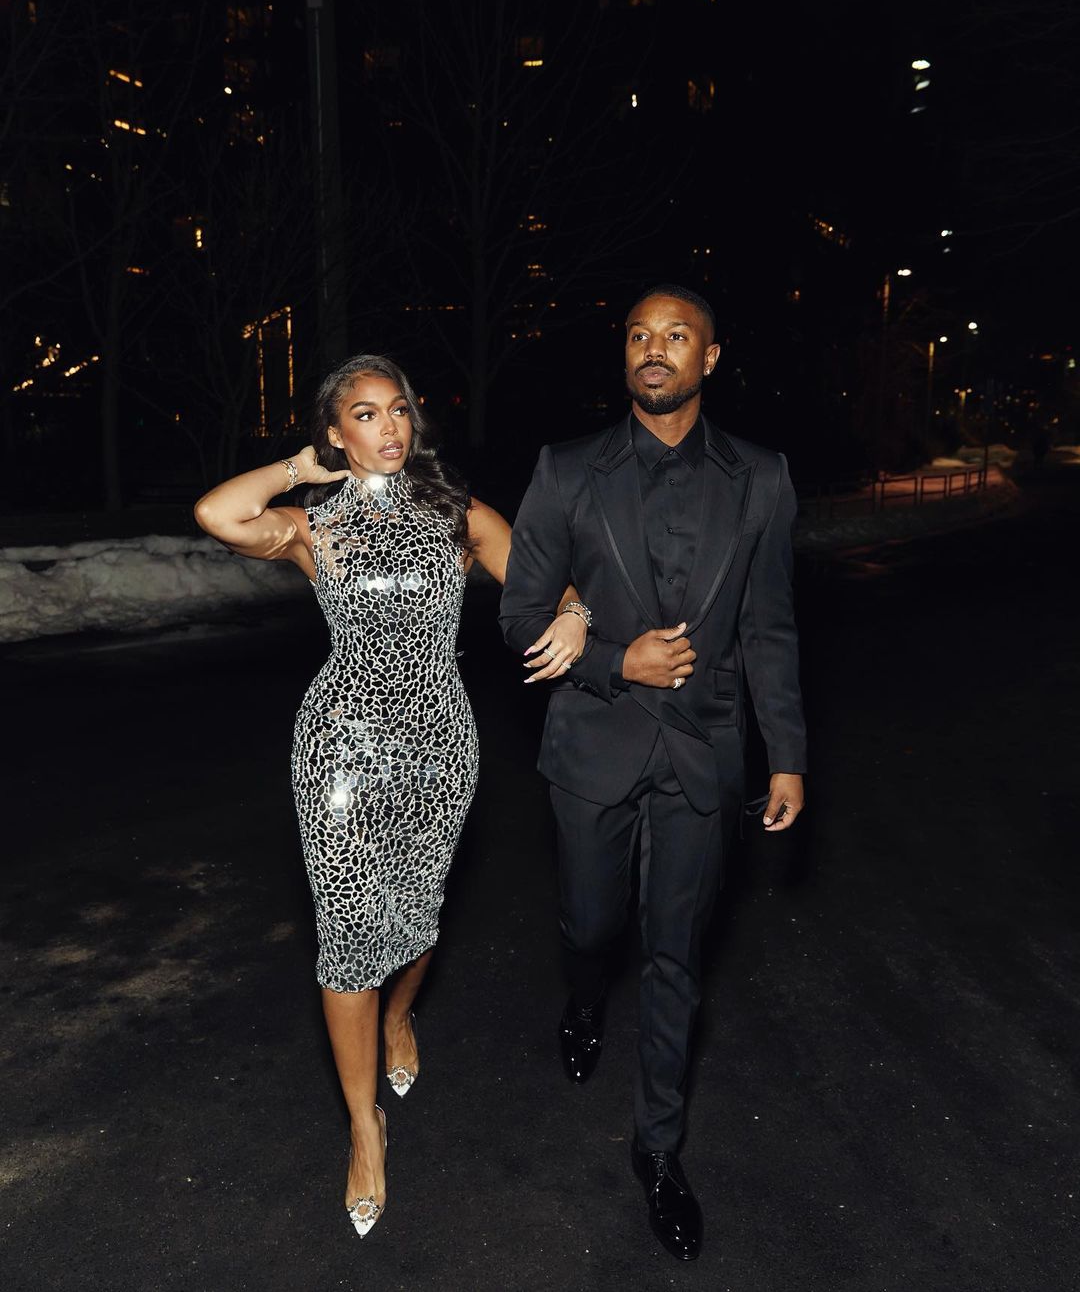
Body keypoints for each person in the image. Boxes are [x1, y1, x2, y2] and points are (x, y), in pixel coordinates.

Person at [195, 354, 587, 1240]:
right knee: (344, 939)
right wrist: (302, 469)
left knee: (418, 916)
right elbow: (217, 513)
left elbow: (549, 581)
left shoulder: (454, 515)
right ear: (338, 432)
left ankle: (402, 1012)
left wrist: (575, 615)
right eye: (364, 414)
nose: (389, 426)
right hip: (337, 747)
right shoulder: (311, 525)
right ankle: (364, 1129)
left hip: (440, 748)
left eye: (399, 409)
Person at [499, 285, 806, 1262]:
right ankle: (585, 991)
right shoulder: (568, 471)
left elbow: (768, 628)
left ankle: (660, 1152)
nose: (655, 349)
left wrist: (786, 753)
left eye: (677, 336)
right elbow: (519, 614)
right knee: (592, 925)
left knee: (676, 957)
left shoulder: (761, 478)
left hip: (703, 755)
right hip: (594, 745)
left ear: (710, 358)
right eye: (639, 335)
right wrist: (611, 658)